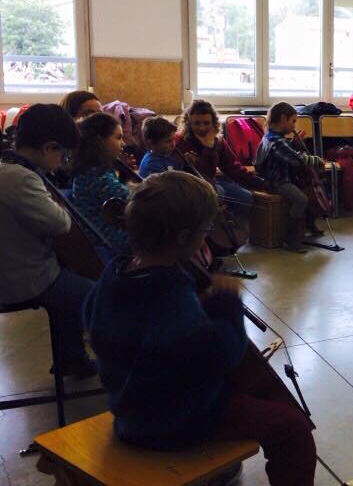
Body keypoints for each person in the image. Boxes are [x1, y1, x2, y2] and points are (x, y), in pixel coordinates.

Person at [83, 171, 317, 485]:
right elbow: (221, 355)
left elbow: (93, 318)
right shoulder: (169, 294)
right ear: (183, 237)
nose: (206, 237)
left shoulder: (115, 275)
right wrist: (226, 303)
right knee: (292, 428)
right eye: (205, 230)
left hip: (129, 411)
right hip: (174, 422)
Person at [0, 105, 97, 378]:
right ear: (49, 147)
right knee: (98, 295)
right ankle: (121, 363)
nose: (64, 162)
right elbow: (60, 224)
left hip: (15, 269)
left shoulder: (9, 169)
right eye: (63, 154)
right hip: (24, 279)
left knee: (69, 284)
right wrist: (58, 202)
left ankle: (71, 358)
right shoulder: (20, 178)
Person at [254, 103, 326, 253]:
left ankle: (308, 225)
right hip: (277, 181)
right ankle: (291, 239)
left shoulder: (272, 137)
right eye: (293, 121)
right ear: (283, 119)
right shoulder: (277, 142)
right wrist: (317, 160)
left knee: (308, 192)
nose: (294, 125)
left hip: (283, 178)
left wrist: (294, 143)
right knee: (301, 199)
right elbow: (296, 159)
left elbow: (287, 153)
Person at [175, 100, 262, 222]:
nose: (202, 128)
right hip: (192, 186)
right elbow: (202, 175)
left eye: (206, 123)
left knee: (246, 198)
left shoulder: (217, 141)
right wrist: (208, 148)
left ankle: (233, 226)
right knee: (217, 194)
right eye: (197, 123)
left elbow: (232, 167)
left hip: (213, 182)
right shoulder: (181, 141)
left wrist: (260, 183)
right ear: (189, 123)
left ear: (213, 123)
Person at [72, 112, 131, 253]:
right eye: (118, 138)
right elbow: (132, 200)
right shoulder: (95, 176)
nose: (123, 143)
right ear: (100, 141)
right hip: (109, 241)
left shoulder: (95, 170)